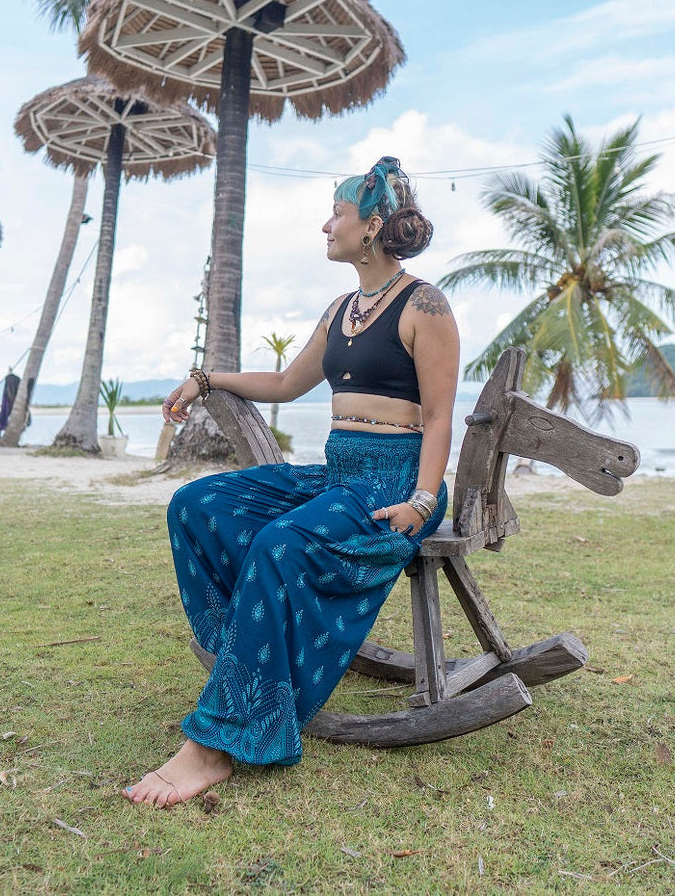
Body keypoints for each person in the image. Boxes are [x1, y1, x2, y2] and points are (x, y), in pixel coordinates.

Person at [123, 157, 461, 808]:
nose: (326, 225)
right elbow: (284, 383)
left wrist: (422, 500)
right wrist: (205, 380)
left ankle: (216, 744)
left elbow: (441, 415)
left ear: (372, 225)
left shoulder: (425, 304)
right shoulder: (341, 310)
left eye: (337, 213)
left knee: (279, 544)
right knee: (197, 504)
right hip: (337, 476)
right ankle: (248, 669)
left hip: (393, 484)